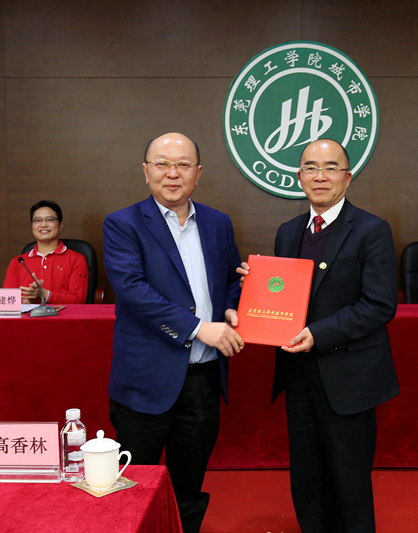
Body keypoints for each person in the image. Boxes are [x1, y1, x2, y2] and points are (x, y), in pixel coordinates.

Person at [239, 139, 398, 532]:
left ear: (348, 177)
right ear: (299, 176)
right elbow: (285, 295)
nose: (320, 176)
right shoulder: (288, 231)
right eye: (311, 167)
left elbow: (379, 305)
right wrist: (255, 289)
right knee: (307, 477)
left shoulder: (372, 230)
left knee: (349, 479)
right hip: (299, 376)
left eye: (330, 168)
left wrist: (318, 333)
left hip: (347, 379)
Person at [103, 132, 243, 533]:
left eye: (183, 164)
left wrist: (231, 306)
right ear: (145, 171)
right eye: (162, 163)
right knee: (134, 484)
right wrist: (199, 329)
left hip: (202, 379)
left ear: (198, 173)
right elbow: (133, 291)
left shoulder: (217, 223)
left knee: (189, 485)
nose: (172, 173)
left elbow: (231, 279)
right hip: (145, 379)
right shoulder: (123, 224)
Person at [3, 200, 88, 304]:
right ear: (32, 226)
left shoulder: (76, 259)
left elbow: (78, 300)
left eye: (49, 220)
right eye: (37, 220)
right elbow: (7, 300)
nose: (43, 225)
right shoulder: (18, 262)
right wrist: (27, 300)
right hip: (27, 314)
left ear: (60, 225)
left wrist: (45, 295)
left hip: (63, 314)